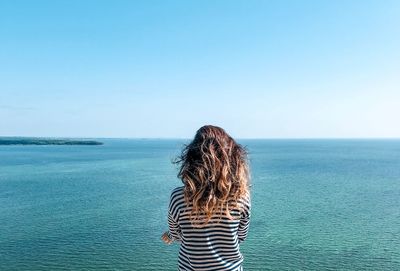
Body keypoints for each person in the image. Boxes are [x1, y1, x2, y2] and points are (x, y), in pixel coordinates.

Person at [161, 125, 251, 271]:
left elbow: (177, 234)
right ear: (232, 159)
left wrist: (170, 236)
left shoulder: (178, 198)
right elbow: (241, 236)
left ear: (192, 159)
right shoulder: (241, 197)